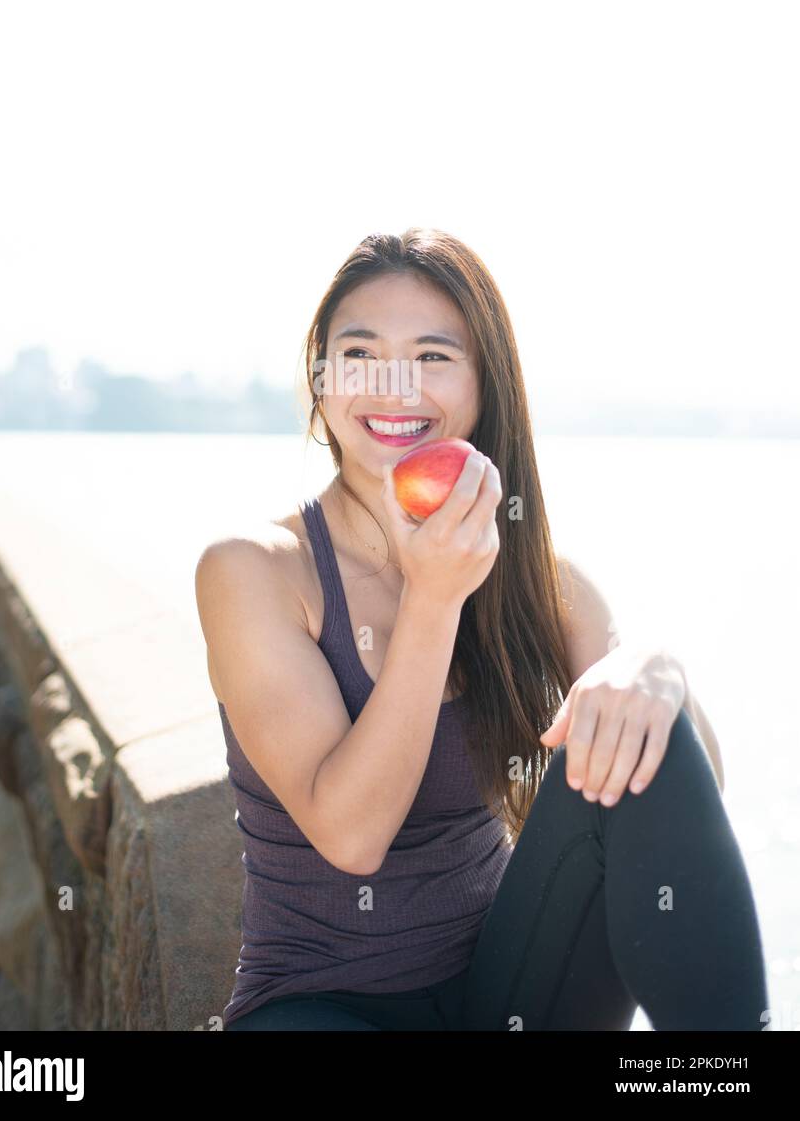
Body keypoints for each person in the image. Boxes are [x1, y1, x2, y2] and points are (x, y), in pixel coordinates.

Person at [195, 227, 769, 1031]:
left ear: (482, 385)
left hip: (514, 988)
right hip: (321, 1004)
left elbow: (679, 787)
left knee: (637, 715)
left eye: (432, 356)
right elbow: (351, 836)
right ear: (322, 381)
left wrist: (655, 672)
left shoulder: (541, 578)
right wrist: (434, 603)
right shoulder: (254, 570)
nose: (395, 387)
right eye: (360, 353)